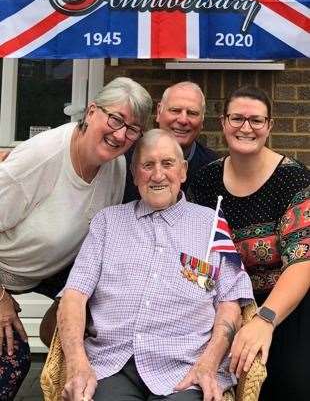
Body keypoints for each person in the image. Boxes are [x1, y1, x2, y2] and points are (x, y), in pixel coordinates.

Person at [58, 129, 254, 401]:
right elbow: (74, 296)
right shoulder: (107, 223)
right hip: (112, 365)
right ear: (135, 174)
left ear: (183, 171)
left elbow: (230, 303)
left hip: (186, 368)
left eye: (167, 164)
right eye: (148, 165)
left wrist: (208, 364)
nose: (158, 175)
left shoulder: (211, 225)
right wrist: (77, 364)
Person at [0, 77, 153, 400]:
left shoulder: (115, 167)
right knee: (10, 361)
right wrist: (1, 301)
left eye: (133, 129)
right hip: (4, 272)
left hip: (47, 273)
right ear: (92, 111)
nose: (120, 134)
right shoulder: (41, 158)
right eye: (115, 119)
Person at [188, 86, 310, 401]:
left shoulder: (294, 180)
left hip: (281, 305)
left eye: (256, 120)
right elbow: (191, 253)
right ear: (223, 122)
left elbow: (302, 261)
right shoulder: (204, 182)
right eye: (237, 118)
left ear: (269, 126)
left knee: (290, 385)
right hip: (221, 306)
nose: (246, 127)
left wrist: (264, 320)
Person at [123, 81, 217, 202]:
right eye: (175, 110)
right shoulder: (126, 158)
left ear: (202, 120)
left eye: (192, 113)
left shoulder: (212, 169)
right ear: (158, 112)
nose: (183, 120)